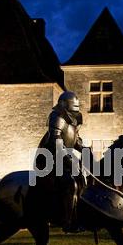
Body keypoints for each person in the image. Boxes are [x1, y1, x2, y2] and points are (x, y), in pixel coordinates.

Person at [36, 91, 87, 233]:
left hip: (63, 159)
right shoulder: (57, 116)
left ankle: (78, 216)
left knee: (81, 180)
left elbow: (74, 140)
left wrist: (85, 149)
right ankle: (67, 221)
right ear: (65, 105)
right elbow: (55, 141)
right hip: (48, 159)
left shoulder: (73, 119)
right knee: (69, 182)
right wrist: (67, 159)